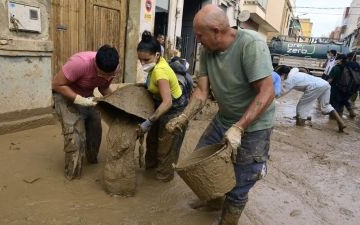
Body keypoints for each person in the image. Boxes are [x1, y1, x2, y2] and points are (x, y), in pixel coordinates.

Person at [166, 5, 275, 225]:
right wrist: (184, 117)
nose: (197, 40)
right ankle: (214, 201)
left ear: (216, 30)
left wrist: (239, 128)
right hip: (223, 118)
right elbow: (202, 91)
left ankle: (228, 220)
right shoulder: (207, 51)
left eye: (199, 35)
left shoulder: (251, 45)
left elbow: (268, 91)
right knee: (200, 162)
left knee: (240, 183)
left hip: (254, 126)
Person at [52, 45, 120, 180]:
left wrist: (116, 104)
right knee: (76, 138)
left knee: (95, 130)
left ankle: (92, 161)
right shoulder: (80, 64)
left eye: (109, 75)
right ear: (95, 64)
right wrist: (79, 100)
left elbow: (104, 87)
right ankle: (73, 176)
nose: (107, 77)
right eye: (103, 74)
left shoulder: (113, 67)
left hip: (87, 96)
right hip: (65, 95)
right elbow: (56, 85)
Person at [136, 31, 188, 182]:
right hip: (160, 105)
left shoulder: (160, 71)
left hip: (174, 110)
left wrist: (148, 122)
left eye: (146, 59)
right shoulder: (155, 66)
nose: (143, 64)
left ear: (157, 55)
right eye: (140, 60)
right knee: (151, 142)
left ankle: (162, 179)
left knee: (166, 149)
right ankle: (150, 172)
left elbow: (168, 102)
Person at [275, 66, 346, 132]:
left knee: (302, 106)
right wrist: (306, 75)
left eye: (280, 76)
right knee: (325, 106)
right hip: (324, 84)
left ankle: (300, 127)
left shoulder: (288, 81)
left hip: (314, 86)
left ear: (283, 74)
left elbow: (279, 94)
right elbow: (298, 68)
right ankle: (341, 123)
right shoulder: (293, 71)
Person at [328, 54, 357, 118]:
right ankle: (340, 117)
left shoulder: (336, 68)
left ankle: (333, 119)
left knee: (333, 104)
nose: (336, 60)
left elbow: (330, 80)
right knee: (341, 104)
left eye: (337, 59)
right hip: (345, 89)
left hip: (335, 89)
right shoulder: (348, 68)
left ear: (340, 60)